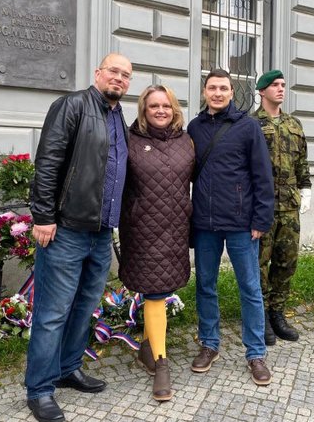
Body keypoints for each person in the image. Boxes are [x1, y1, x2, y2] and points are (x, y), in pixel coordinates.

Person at [25, 53, 134, 422]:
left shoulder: (118, 117)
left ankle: (68, 368)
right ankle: (39, 389)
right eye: (113, 71)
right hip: (66, 230)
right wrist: (43, 216)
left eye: (125, 75)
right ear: (98, 73)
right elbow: (49, 160)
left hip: (101, 233)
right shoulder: (72, 105)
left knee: (84, 308)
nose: (118, 79)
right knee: (52, 314)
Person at [188, 69, 275, 386]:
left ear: (231, 91)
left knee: (250, 288)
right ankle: (209, 344)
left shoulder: (248, 126)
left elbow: (263, 176)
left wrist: (261, 219)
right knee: (205, 285)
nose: (218, 93)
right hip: (206, 223)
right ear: (204, 92)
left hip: (241, 224)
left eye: (223, 88)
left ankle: (255, 353)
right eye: (212, 88)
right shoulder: (194, 128)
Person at [118, 85, 195, 402]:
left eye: (166, 105)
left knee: (162, 289)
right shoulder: (130, 140)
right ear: (143, 110)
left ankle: (148, 349)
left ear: (174, 109)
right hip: (142, 228)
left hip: (176, 226)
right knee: (154, 290)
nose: (160, 110)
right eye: (153, 106)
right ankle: (161, 365)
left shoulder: (187, 141)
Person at [251, 70, 311, 345]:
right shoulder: (251, 123)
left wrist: (306, 189)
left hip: (289, 206)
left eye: (283, 85)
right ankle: (260, 316)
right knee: (260, 265)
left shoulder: (294, 124)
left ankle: (277, 313)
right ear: (261, 91)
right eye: (274, 85)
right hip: (261, 208)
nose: (280, 89)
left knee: (286, 263)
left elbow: (301, 163)